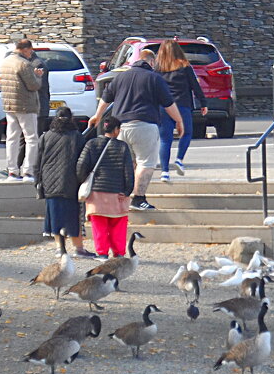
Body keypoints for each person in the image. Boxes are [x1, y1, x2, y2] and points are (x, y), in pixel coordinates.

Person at [88, 47, 182, 211]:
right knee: (146, 163)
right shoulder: (154, 78)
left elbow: (106, 98)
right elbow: (169, 103)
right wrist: (179, 121)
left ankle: (119, 197)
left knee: (126, 163)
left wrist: (97, 116)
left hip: (120, 127)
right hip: (144, 124)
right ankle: (138, 199)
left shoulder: (121, 77)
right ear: (152, 62)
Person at [33, 107, 92, 257]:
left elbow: (37, 163)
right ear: (71, 119)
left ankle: (60, 248)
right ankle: (78, 248)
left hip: (49, 182)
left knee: (55, 216)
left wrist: (38, 182)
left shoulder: (46, 137)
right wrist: (82, 179)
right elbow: (82, 162)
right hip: (70, 182)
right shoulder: (77, 137)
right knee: (74, 217)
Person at [76, 117, 135, 258]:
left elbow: (81, 166)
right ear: (116, 130)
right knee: (118, 225)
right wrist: (128, 190)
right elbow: (128, 171)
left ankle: (102, 253)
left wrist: (83, 181)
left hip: (96, 192)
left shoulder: (91, 144)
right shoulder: (122, 146)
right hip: (117, 192)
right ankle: (118, 253)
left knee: (99, 226)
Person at [154, 40, 207, 182]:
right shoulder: (184, 66)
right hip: (182, 104)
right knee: (187, 132)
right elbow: (195, 86)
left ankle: (164, 172)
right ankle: (179, 159)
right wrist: (203, 103)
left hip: (164, 106)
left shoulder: (158, 69)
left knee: (165, 139)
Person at [0, 39, 44, 182]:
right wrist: (38, 76)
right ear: (25, 49)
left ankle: (12, 171)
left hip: (9, 105)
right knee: (31, 138)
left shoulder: (5, 62)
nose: (31, 54)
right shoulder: (24, 64)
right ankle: (28, 172)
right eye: (30, 51)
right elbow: (34, 86)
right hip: (26, 105)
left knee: (12, 138)